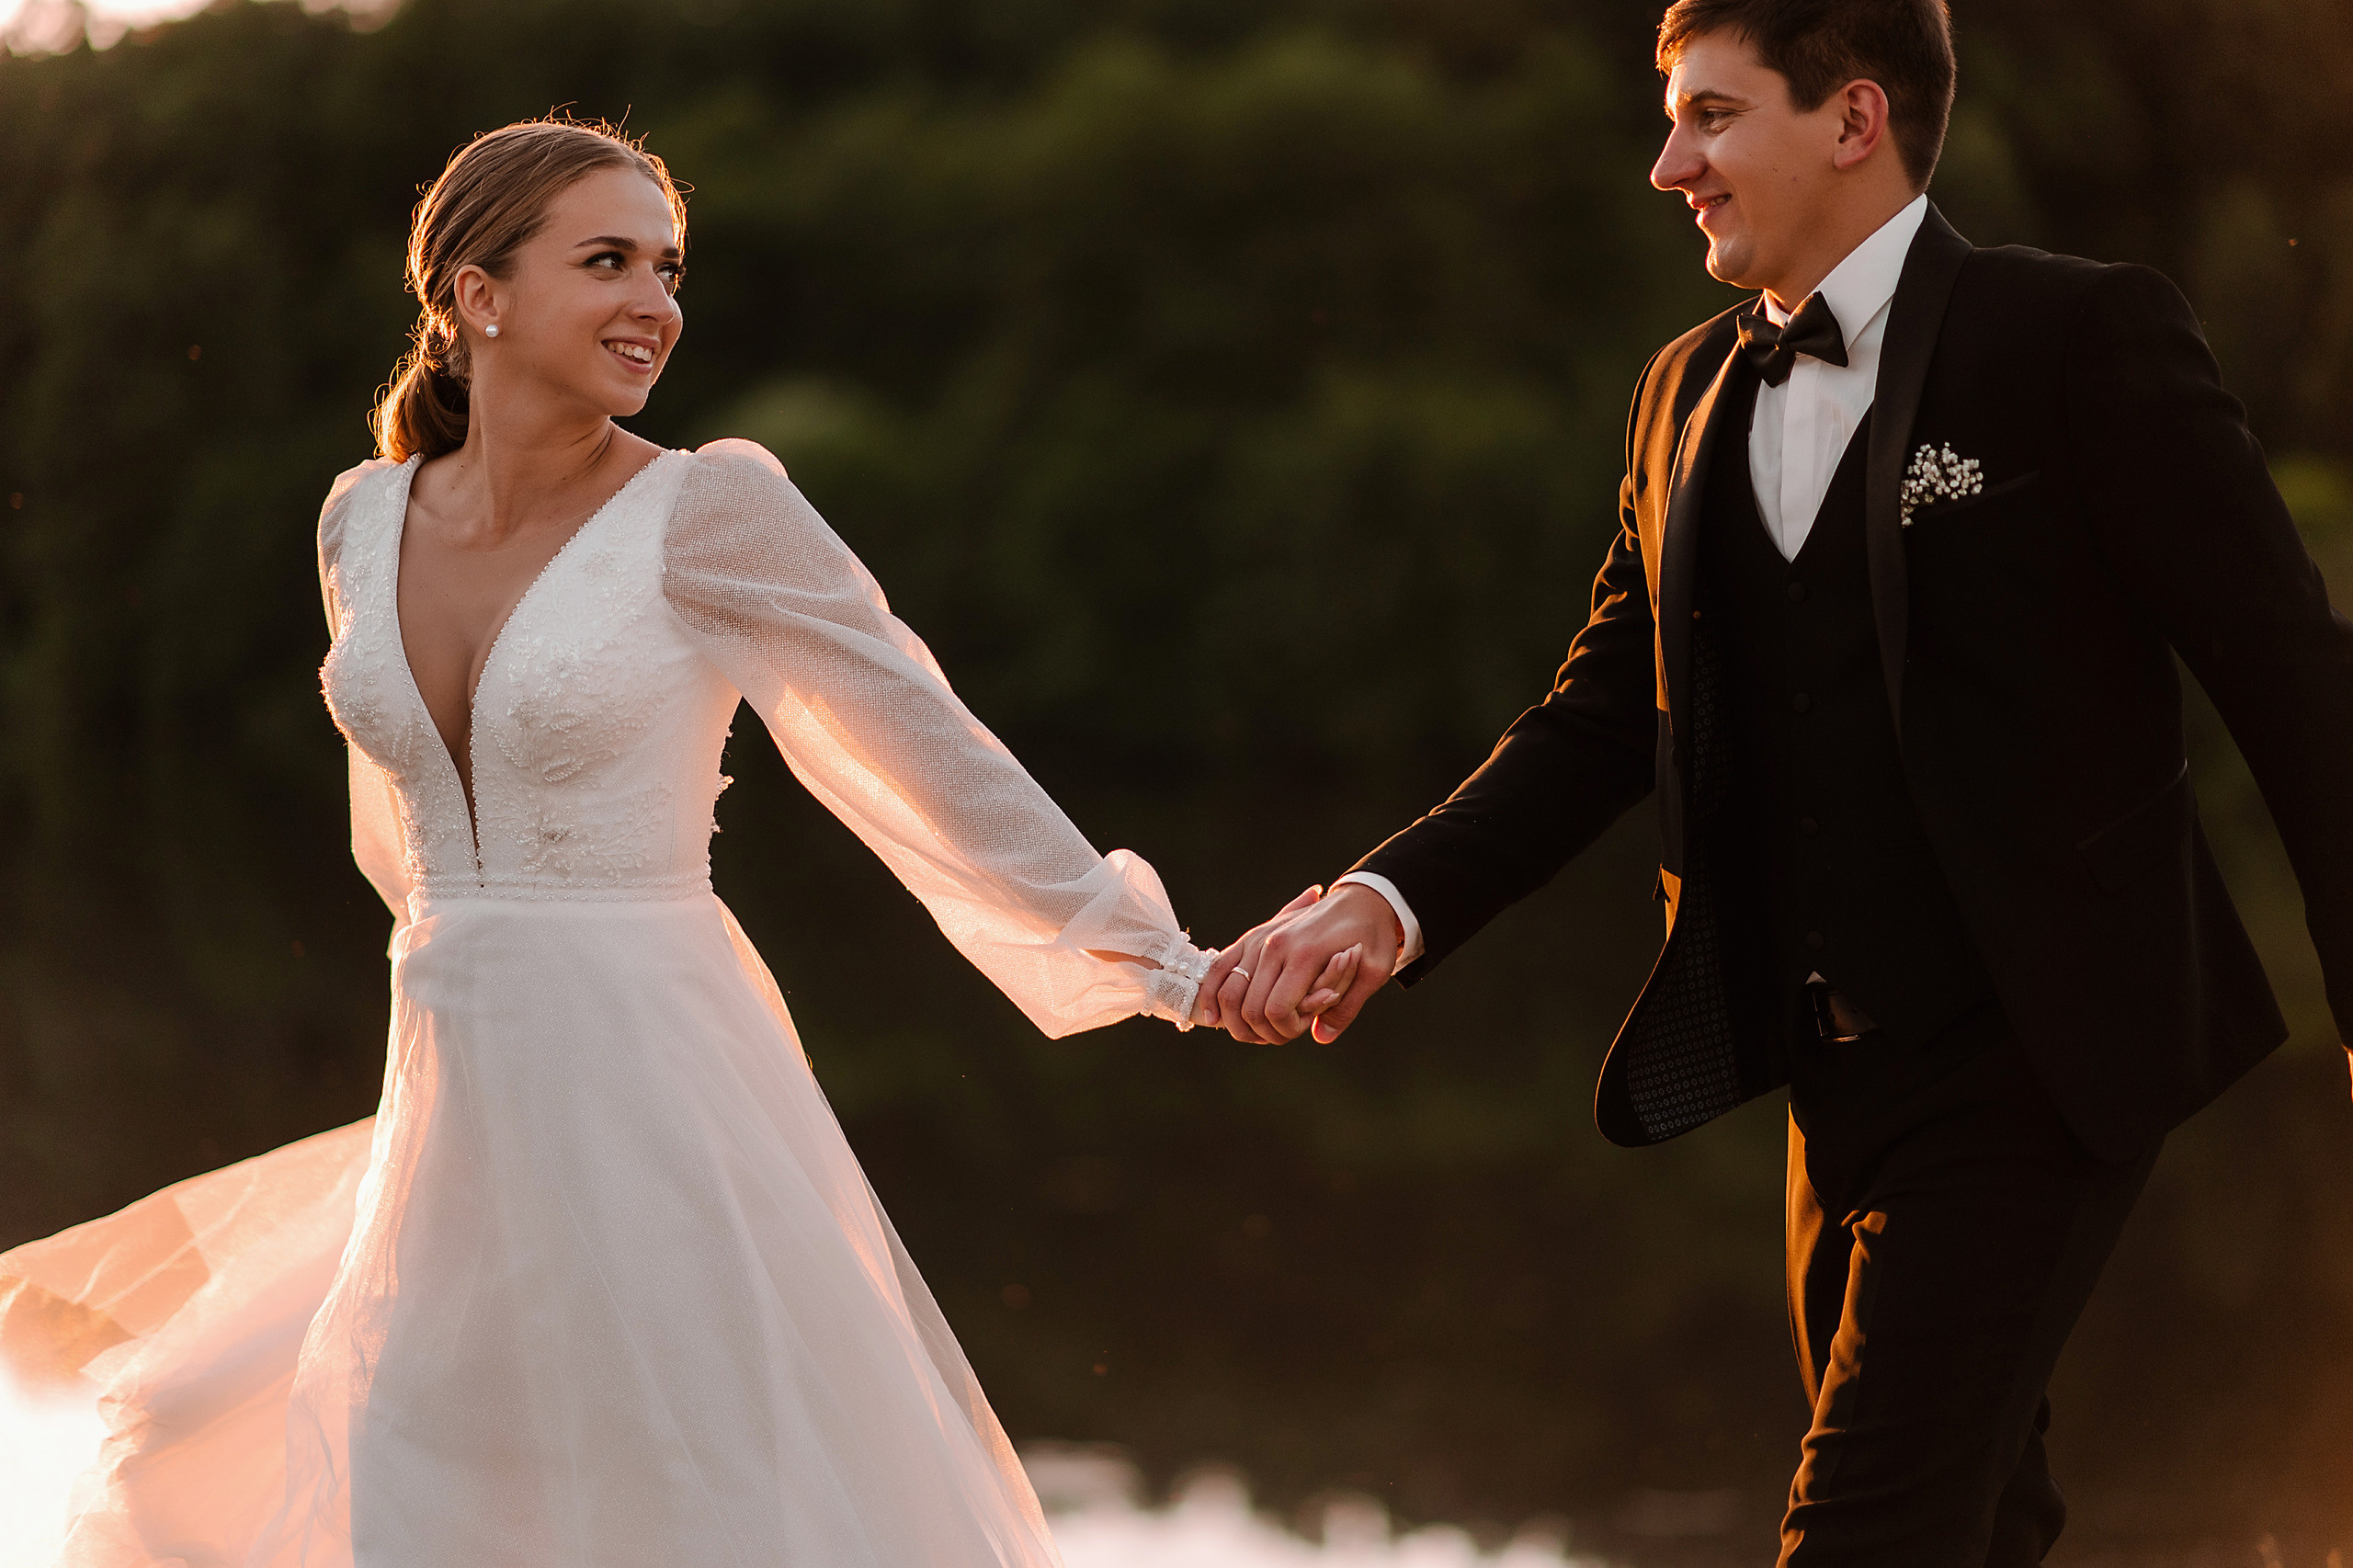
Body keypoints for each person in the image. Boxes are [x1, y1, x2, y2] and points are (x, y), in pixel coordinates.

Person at [0, 117, 1358, 1566]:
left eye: (667, 265)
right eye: (608, 261)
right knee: (407, 1488)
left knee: (684, 1502)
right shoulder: (357, 520)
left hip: (661, 1101)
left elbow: (931, 752)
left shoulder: (709, 510)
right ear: (478, 292)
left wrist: (1165, 965)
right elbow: (398, 849)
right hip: (451, 1108)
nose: (656, 302)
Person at [1198, 1, 2353, 1562]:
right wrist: (1384, 903)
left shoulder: (2077, 338)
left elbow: (2291, 673)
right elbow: (1603, 719)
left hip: (2041, 1046)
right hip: (1821, 1074)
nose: (1671, 162)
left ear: (1854, 120)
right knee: (1976, 1521)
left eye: (1712, 117)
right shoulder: (1680, 393)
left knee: (1861, 1533)